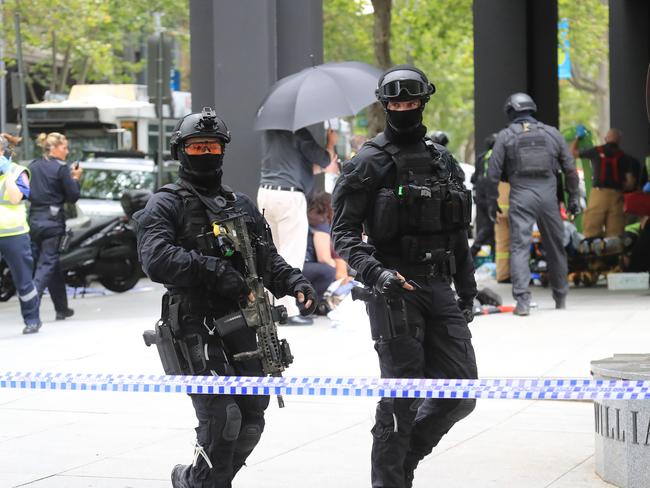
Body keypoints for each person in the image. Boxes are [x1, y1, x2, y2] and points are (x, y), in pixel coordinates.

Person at [134, 107, 316, 488]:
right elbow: (156, 259)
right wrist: (214, 271)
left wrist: (296, 283)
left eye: (212, 146)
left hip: (241, 320)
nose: (205, 153)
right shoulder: (165, 204)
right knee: (223, 417)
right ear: (180, 151)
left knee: (252, 417)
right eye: (196, 147)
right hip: (193, 322)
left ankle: (201, 481)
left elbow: (264, 258)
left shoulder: (240, 204)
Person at [332, 65, 478, 488]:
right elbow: (343, 234)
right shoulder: (367, 162)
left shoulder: (442, 160)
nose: (403, 109)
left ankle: (404, 463)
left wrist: (466, 291)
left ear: (422, 102)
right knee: (402, 398)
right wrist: (376, 273)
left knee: (460, 394)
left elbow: (458, 233)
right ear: (384, 105)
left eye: (410, 102)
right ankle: (390, 481)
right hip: (393, 290)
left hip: (438, 285)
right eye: (395, 103)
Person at [486, 93, 581, 316]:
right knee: (555, 246)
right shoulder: (552, 133)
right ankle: (560, 297)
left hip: (521, 194)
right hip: (548, 195)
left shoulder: (506, 135)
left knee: (520, 246)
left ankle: (523, 302)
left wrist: (492, 201)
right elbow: (569, 169)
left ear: (510, 111)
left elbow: (492, 173)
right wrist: (573, 198)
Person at [257, 127, 337, 325]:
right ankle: (289, 311)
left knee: (271, 255)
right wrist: (330, 143)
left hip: (266, 193)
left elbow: (302, 167)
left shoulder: (270, 132)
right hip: (289, 198)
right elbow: (325, 159)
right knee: (291, 255)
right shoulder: (299, 133)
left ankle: (269, 308)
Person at [29, 132, 82, 320]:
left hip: (34, 221)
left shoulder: (33, 166)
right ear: (54, 148)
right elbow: (73, 196)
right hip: (52, 222)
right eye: (65, 147)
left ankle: (62, 308)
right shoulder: (61, 169)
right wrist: (75, 178)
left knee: (52, 265)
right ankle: (30, 311)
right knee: (46, 266)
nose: (67, 152)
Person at [0, 135, 41, 334]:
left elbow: (16, 198)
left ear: (3, 151)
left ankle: (32, 319)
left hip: (14, 235)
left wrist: (7, 173)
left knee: (23, 280)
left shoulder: (18, 172)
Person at [570, 128, 639, 238]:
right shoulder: (625, 158)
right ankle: (613, 254)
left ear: (606, 138)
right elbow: (630, 183)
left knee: (591, 230)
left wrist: (578, 137)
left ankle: (594, 252)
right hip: (617, 196)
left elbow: (572, 153)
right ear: (619, 141)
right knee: (615, 234)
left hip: (599, 194)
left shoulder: (596, 151)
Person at [303, 191, 352, 308]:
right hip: (304, 266)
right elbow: (324, 258)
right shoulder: (320, 222)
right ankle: (312, 306)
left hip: (296, 266)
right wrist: (340, 275)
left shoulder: (307, 219)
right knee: (329, 271)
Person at [470, 133, 497, 256]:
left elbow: (473, 178)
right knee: (490, 225)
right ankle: (473, 251)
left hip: (480, 197)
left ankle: (494, 254)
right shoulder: (497, 157)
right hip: (490, 197)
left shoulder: (481, 157)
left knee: (491, 225)